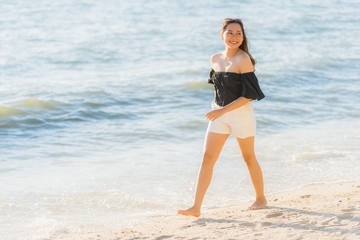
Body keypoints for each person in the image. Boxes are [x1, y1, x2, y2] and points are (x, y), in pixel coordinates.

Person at [177, 18, 267, 217]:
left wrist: (221, 111)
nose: (234, 37)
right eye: (230, 32)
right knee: (207, 158)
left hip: (241, 116)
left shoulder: (243, 60)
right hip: (219, 114)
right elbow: (219, 88)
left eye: (238, 33)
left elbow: (249, 95)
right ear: (222, 34)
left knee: (248, 157)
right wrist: (217, 109)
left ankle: (261, 198)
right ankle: (196, 207)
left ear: (243, 37)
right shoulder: (215, 59)